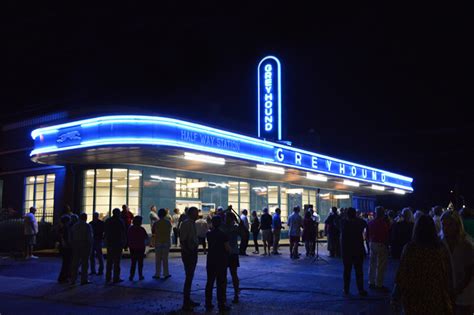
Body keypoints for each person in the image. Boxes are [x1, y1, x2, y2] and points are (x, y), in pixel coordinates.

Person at [391, 215, 453, 314]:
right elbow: (447, 273)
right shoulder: (440, 248)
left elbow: (402, 274)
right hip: (435, 294)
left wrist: (395, 296)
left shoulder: (410, 249)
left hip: (414, 295)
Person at [440, 210, 474, 314]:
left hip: (465, 293)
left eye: (449, 224)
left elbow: (470, 271)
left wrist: (458, 289)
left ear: (457, 225)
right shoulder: (441, 243)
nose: (446, 228)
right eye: (444, 224)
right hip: (447, 291)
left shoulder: (466, 244)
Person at [340, 207, 368, 296]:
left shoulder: (343, 223)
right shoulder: (360, 222)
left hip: (346, 250)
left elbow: (334, 221)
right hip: (358, 249)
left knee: (347, 271)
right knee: (359, 271)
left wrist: (343, 214)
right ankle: (360, 289)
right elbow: (365, 223)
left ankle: (346, 289)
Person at [205, 215, 231, 312]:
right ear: (220, 223)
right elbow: (227, 248)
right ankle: (221, 304)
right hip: (221, 261)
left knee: (210, 282)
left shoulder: (209, 234)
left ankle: (208, 303)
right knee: (221, 283)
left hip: (211, 260)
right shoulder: (224, 235)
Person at [179, 206, 200, 311]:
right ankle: (186, 302)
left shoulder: (192, 223)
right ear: (191, 213)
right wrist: (188, 251)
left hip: (192, 252)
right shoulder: (187, 224)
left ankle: (188, 300)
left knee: (190, 277)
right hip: (189, 253)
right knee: (188, 277)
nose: (197, 215)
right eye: (196, 213)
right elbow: (183, 240)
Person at [367, 206, 390, 292]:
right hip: (381, 244)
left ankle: (371, 281)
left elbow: (367, 234)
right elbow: (386, 235)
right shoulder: (384, 223)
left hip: (372, 243)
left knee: (372, 263)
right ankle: (379, 283)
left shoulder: (370, 222)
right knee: (380, 265)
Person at [220, 211, 240, 304]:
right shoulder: (227, 227)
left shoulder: (233, 228)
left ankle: (235, 293)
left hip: (231, 253)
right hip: (226, 253)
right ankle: (232, 294)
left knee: (233, 274)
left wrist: (235, 216)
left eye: (227, 217)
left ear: (231, 219)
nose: (225, 219)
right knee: (229, 274)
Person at [104, 208, 127, 283]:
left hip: (110, 243)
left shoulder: (108, 220)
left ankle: (108, 277)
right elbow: (123, 232)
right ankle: (116, 277)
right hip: (118, 243)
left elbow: (105, 231)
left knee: (109, 261)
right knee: (117, 262)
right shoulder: (120, 221)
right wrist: (124, 242)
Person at [70, 212, 93, 285]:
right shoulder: (87, 226)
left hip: (76, 246)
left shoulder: (75, 226)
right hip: (85, 246)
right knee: (85, 264)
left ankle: (73, 279)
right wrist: (90, 247)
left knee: (75, 264)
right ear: (86, 218)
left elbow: (71, 236)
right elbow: (89, 238)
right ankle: (84, 279)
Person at [152, 208, 172, 279]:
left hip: (158, 242)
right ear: (165, 214)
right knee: (165, 259)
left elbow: (153, 232)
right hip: (166, 242)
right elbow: (169, 231)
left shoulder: (156, 223)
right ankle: (166, 273)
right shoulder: (168, 222)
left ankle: (157, 274)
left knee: (158, 259)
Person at [128, 215, 148, 281]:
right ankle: (140, 275)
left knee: (133, 262)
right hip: (140, 247)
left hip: (132, 247)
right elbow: (146, 237)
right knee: (140, 263)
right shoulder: (141, 229)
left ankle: (131, 276)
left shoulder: (130, 228)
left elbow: (128, 237)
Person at [57, 214, 72, 283]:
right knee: (67, 263)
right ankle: (64, 277)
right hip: (66, 247)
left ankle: (63, 277)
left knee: (65, 263)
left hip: (62, 247)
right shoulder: (66, 228)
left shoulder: (61, 228)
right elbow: (66, 238)